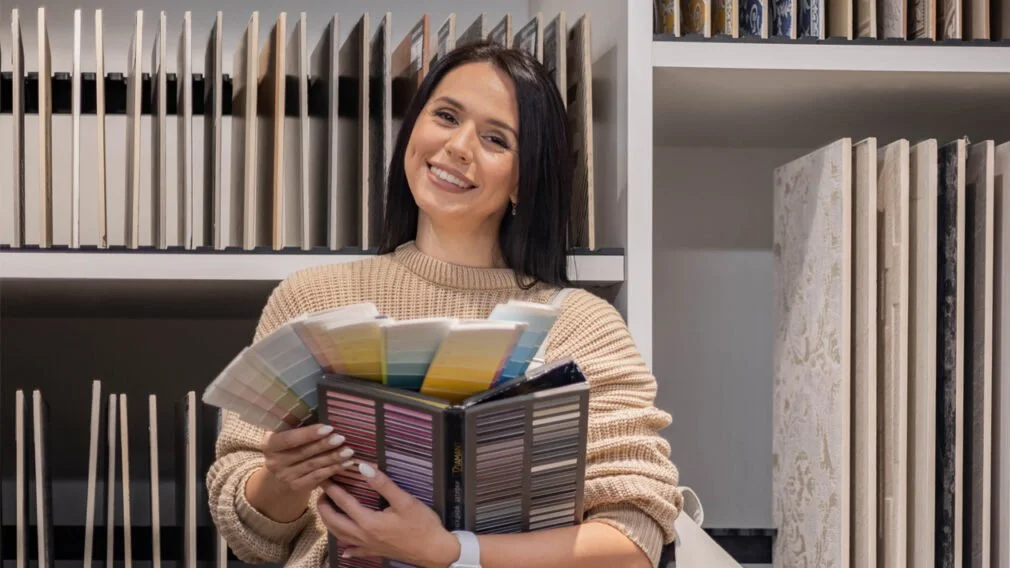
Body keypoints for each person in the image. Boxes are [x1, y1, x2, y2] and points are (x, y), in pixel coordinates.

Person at [206, 40, 683, 568]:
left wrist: (452, 552)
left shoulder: (580, 325)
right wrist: (283, 481)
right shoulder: (312, 298)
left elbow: (635, 539)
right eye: (446, 116)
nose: (458, 146)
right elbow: (247, 533)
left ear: (524, 179)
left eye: (495, 139)